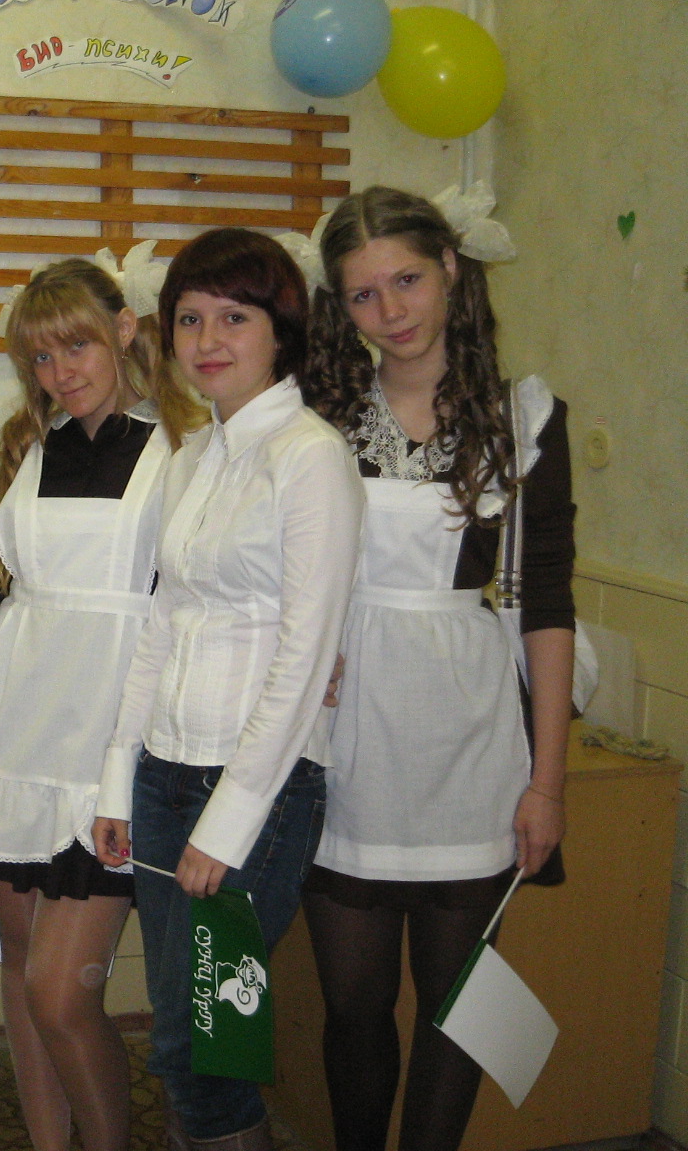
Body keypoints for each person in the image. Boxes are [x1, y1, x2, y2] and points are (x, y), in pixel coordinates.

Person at [295, 185, 575, 1151]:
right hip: (348, 748)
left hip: (472, 746)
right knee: (353, 1011)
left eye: (408, 279)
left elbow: (546, 607)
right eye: (364, 294)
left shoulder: (524, 418)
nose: (393, 310)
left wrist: (548, 784)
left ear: (451, 269)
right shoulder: (317, 418)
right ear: (341, 306)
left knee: (456, 1011)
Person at [92, 228, 365, 1151]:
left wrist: (230, 820)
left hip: (258, 789)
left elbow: (307, 653)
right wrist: (117, 780)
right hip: (165, 777)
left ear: (281, 330)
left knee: (202, 1047)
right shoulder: (190, 458)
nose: (208, 339)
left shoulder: (310, 455)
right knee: (191, 1041)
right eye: (189, 319)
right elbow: (160, 626)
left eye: (234, 318)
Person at [0, 256, 205, 1151]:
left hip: (112, 743)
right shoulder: (29, 444)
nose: (60, 372)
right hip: (14, 732)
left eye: (77, 346)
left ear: (124, 331)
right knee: (22, 976)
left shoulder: (185, 450)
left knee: (62, 992)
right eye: (42, 357)